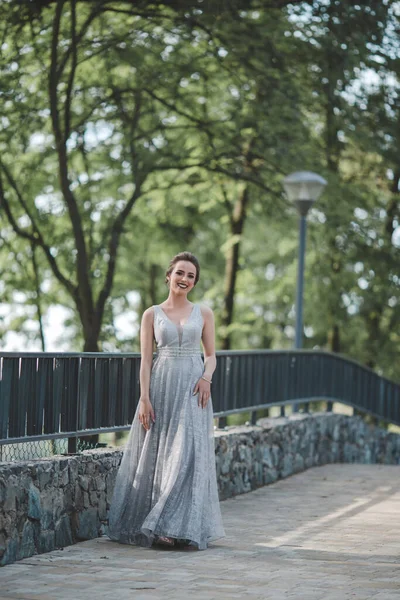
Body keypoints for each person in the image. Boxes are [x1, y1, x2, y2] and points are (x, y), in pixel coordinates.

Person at [108, 251, 225, 550]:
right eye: (180, 273)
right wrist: (144, 398)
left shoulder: (204, 313)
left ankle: (179, 526)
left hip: (194, 390)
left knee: (187, 455)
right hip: (161, 386)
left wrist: (206, 377)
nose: (184, 279)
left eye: (191, 276)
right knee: (160, 453)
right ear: (169, 275)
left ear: (194, 282)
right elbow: (146, 361)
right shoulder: (151, 314)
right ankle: (162, 525)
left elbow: (211, 356)